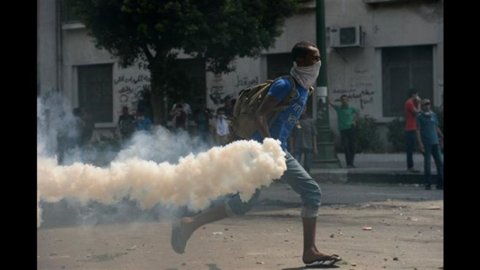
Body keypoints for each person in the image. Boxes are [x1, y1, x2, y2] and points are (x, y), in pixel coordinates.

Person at [170, 41, 341, 267]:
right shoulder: (284, 85)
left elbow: (284, 122)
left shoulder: (304, 89)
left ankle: (189, 223)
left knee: (242, 204)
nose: (318, 62)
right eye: (314, 58)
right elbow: (261, 115)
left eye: (319, 58)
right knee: (311, 192)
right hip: (264, 151)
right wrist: (271, 146)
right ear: (300, 62)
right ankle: (309, 251)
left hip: (275, 150)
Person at [416, 99, 444, 190]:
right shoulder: (420, 117)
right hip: (426, 143)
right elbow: (418, 131)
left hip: (435, 142)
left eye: (428, 104)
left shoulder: (434, 115)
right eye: (425, 104)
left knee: (439, 162)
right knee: (427, 163)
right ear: (422, 106)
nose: (427, 106)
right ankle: (428, 183)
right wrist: (420, 144)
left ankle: (440, 183)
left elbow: (436, 127)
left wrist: (442, 136)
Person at [329, 95, 359, 168]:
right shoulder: (339, 108)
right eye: (342, 100)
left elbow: (357, 113)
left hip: (351, 129)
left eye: (345, 100)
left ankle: (351, 163)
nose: (344, 101)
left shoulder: (351, 108)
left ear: (348, 100)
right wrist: (327, 99)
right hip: (343, 130)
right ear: (341, 101)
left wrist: (354, 121)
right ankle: (348, 163)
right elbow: (331, 104)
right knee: (346, 146)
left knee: (352, 146)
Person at [404, 88, 421, 172]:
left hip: (412, 127)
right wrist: (419, 104)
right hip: (410, 128)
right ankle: (410, 166)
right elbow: (417, 112)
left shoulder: (411, 103)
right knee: (410, 148)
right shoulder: (409, 103)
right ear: (413, 94)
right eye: (417, 95)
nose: (417, 97)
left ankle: (410, 166)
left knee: (411, 148)